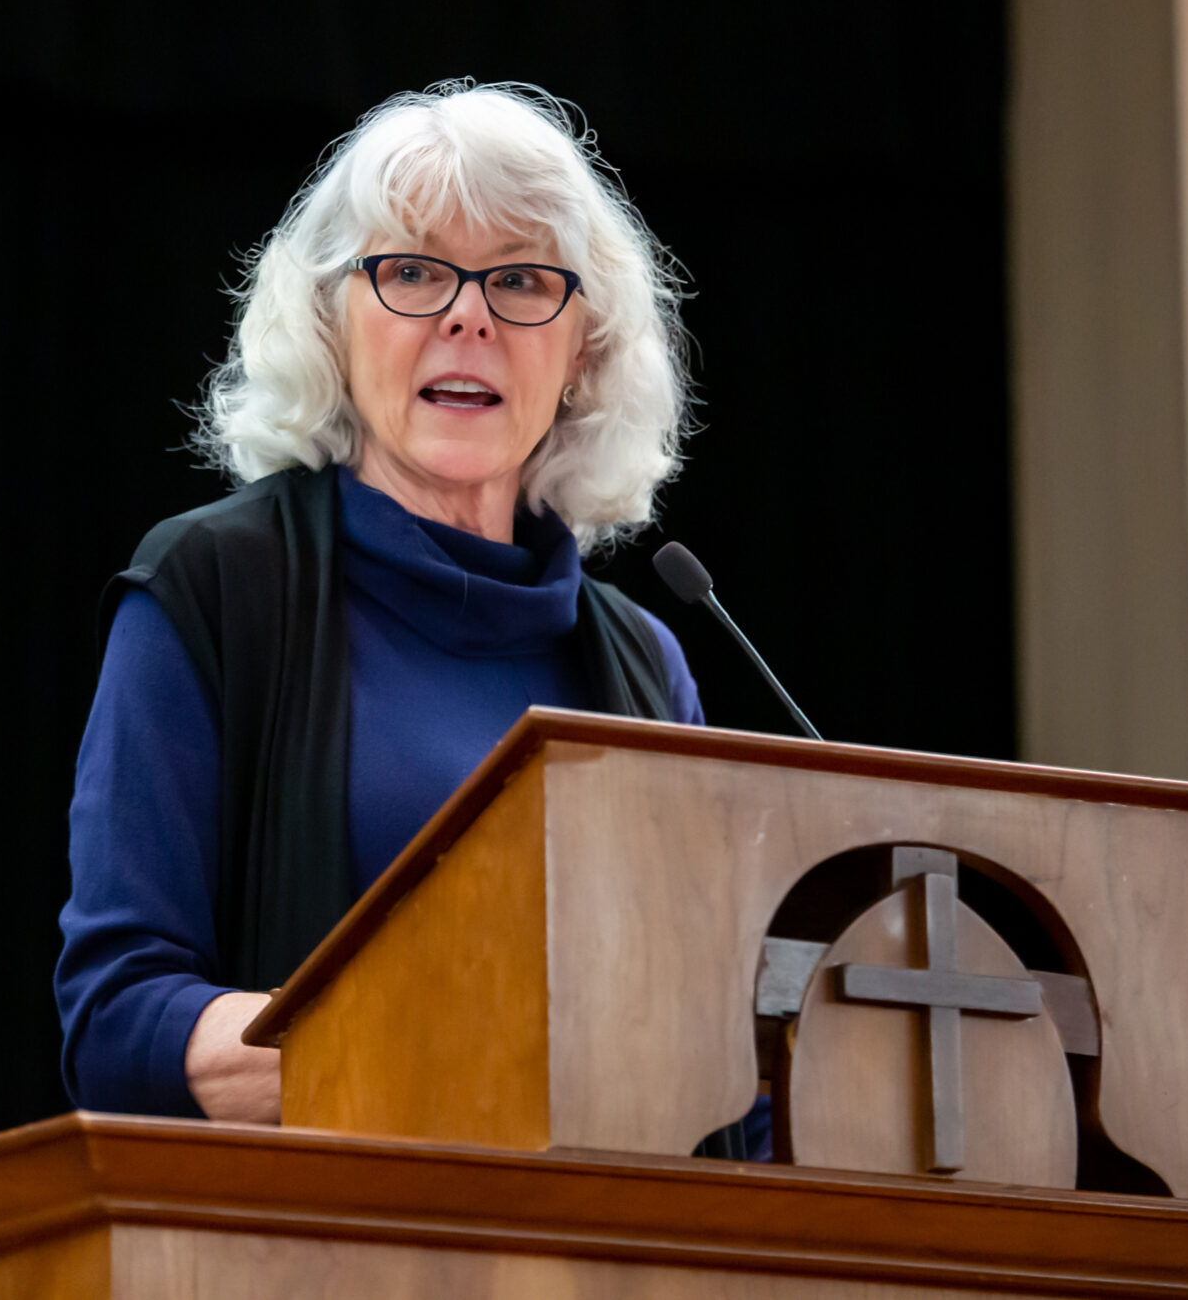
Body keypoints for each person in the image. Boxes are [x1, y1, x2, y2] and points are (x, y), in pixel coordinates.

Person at [55, 81, 764, 1149]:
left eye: (521, 279)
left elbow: (719, 1059)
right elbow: (119, 1023)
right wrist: (441, 1054)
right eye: (414, 271)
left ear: (582, 354)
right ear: (332, 325)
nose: (467, 314)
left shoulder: (644, 663)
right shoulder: (213, 589)